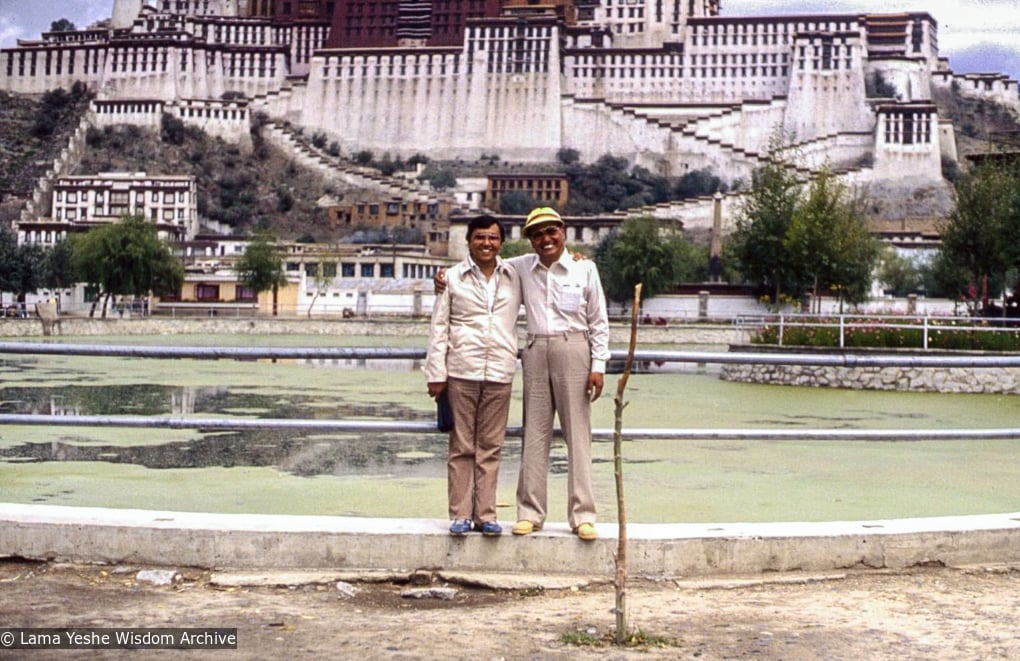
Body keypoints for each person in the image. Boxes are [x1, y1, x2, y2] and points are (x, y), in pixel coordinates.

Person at [435, 207, 610, 541]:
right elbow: (482, 266)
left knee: (578, 436)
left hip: (575, 348)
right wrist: (443, 278)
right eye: (538, 234)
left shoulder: (584, 268)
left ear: (563, 231)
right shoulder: (519, 268)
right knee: (535, 435)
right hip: (534, 350)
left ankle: (583, 514)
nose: (546, 239)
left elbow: (599, 321)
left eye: (551, 232)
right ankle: (530, 512)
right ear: (529, 240)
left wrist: (598, 365)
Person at [425, 215, 522, 536]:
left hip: (500, 372)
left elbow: (544, 262)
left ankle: (486, 514)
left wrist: (577, 258)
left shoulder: (514, 276)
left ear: (501, 243)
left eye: (493, 238)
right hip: (460, 372)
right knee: (462, 446)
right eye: (480, 237)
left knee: (491, 447)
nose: (486, 244)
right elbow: (439, 328)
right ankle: (460, 515)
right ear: (468, 241)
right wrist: (436, 374)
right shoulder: (452, 278)